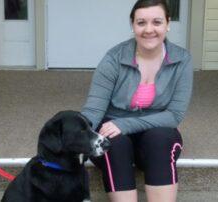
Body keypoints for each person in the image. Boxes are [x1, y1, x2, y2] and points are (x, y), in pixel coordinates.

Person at [81, 0, 193, 201]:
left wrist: (125, 124)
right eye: (141, 23)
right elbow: (93, 111)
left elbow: (174, 116)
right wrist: (72, 136)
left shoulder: (181, 59)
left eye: (157, 22)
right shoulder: (114, 58)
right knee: (112, 143)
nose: (149, 30)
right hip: (115, 135)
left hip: (155, 135)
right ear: (133, 25)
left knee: (160, 139)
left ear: (168, 23)